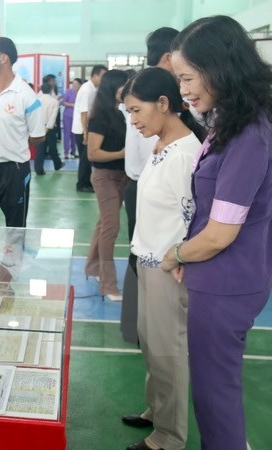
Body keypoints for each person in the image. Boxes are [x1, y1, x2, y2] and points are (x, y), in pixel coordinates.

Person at [160, 16, 272, 450]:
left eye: (188, 77)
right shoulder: (232, 121)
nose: (184, 90)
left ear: (220, 69)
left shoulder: (248, 135)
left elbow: (219, 235)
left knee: (215, 395)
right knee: (216, 387)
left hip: (228, 281)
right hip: (223, 277)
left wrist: (178, 253)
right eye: (180, 79)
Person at [121, 67, 205, 450]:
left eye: (137, 111)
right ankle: (157, 410)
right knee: (152, 344)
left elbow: (194, 217)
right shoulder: (162, 145)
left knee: (168, 350)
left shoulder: (184, 154)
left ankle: (170, 436)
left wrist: (178, 259)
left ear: (164, 104)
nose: (134, 121)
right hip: (148, 261)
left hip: (167, 269)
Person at [120, 27, 180, 344]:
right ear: (170, 57)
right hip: (147, 182)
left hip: (144, 182)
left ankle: (137, 327)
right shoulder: (151, 93)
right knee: (145, 255)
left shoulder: (144, 87)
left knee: (144, 254)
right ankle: (139, 327)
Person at [0, 36, 45, 227]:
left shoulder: (26, 94)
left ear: (3, 58)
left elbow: (38, 135)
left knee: (15, 229)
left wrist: (14, 145)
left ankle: (12, 258)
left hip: (15, 172)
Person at [84, 69, 129, 301]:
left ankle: (92, 268)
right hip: (105, 177)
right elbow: (93, 153)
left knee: (104, 223)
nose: (128, 90)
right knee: (111, 227)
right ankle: (108, 284)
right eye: (124, 86)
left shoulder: (122, 113)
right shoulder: (101, 116)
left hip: (122, 175)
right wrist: (123, 152)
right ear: (114, 87)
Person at [72, 65, 107, 192]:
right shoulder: (87, 89)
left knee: (86, 159)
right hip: (82, 129)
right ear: (95, 75)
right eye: (102, 76)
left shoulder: (94, 88)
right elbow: (84, 114)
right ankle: (82, 184)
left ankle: (86, 182)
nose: (103, 79)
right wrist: (86, 135)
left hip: (85, 128)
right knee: (85, 159)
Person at [34, 82, 64, 175]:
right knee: (52, 147)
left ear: (41, 90)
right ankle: (57, 165)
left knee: (40, 149)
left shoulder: (37, 100)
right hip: (50, 129)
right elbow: (53, 117)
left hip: (39, 127)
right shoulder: (54, 101)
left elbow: (35, 115)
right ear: (51, 90)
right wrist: (47, 129)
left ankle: (39, 169)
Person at [62, 78, 81, 159]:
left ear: (80, 85)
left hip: (77, 117)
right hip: (67, 116)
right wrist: (72, 105)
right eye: (73, 83)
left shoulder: (81, 92)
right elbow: (63, 102)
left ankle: (73, 151)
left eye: (76, 84)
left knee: (75, 134)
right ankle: (66, 153)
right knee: (67, 134)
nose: (74, 85)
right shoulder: (68, 91)